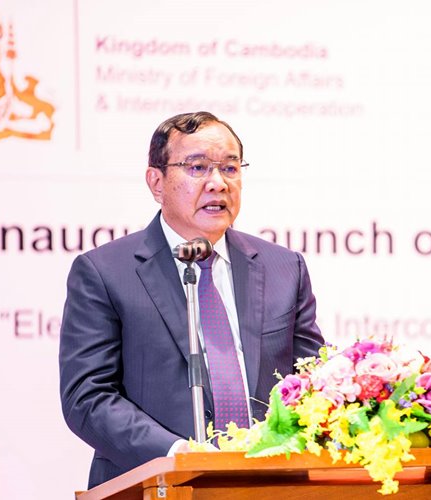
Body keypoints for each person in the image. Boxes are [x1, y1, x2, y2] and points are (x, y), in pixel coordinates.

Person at [58, 111, 325, 488]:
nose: (218, 183)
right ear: (157, 182)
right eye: (197, 167)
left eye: (230, 168)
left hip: (270, 486)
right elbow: (87, 397)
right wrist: (176, 455)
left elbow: (313, 383)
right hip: (154, 486)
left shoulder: (284, 268)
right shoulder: (105, 273)